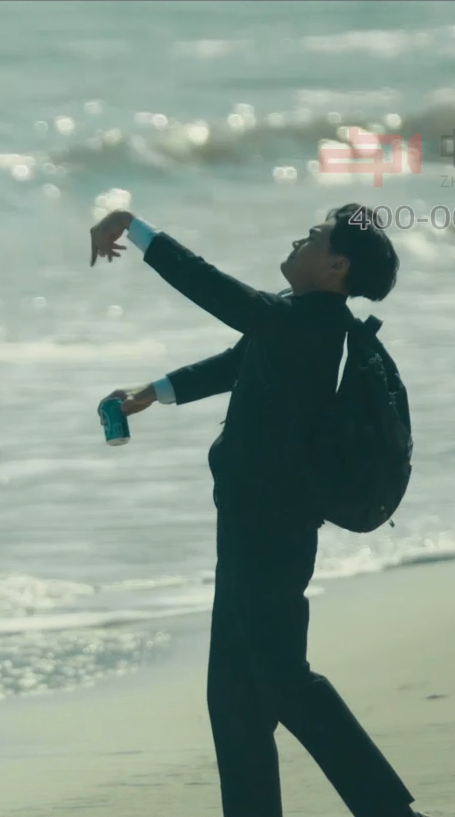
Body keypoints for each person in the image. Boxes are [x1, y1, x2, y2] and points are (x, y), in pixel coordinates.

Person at [90, 205, 426, 817]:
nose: (300, 239)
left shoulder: (302, 322)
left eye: (315, 237)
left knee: (284, 682)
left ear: (337, 265)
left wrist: (133, 229)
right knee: (234, 699)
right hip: (254, 524)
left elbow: (211, 287)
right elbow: (238, 362)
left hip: (270, 530)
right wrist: (154, 392)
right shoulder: (305, 323)